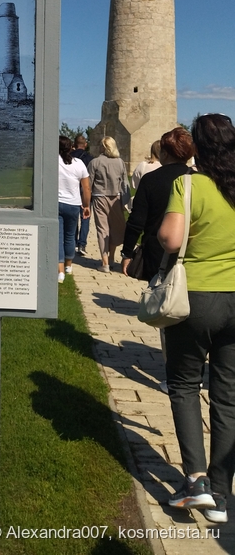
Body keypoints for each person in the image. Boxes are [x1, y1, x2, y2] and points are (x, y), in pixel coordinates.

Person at [158, 114, 235, 523]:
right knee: (228, 395)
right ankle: (221, 494)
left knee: (186, 385)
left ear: (198, 149)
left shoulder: (188, 185)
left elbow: (170, 239)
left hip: (197, 297)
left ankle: (196, 481)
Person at [122, 128, 194, 281]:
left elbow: (136, 221)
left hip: (156, 248)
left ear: (165, 153)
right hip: (188, 248)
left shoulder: (150, 179)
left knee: (156, 290)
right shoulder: (195, 179)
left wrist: (127, 253)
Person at [88, 137, 129, 272]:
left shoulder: (95, 162)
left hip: (99, 197)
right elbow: (125, 184)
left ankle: (105, 262)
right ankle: (110, 258)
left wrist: (86, 202)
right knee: (115, 228)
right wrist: (126, 202)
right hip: (116, 198)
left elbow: (88, 184)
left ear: (104, 147)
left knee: (102, 229)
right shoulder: (120, 162)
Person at [58, 136, 91, 281]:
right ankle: (69, 265)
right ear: (71, 147)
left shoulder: (54, 161)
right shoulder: (79, 163)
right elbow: (86, 188)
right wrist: (86, 205)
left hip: (57, 201)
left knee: (59, 237)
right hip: (73, 203)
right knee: (70, 236)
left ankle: (60, 271)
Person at [72, 134, 93, 256]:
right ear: (85, 145)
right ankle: (82, 244)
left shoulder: (69, 157)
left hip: (73, 190)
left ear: (74, 145)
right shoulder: (90, 158)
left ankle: (73, 242)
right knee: (85, 217)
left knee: (73, 218)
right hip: (85, 190)